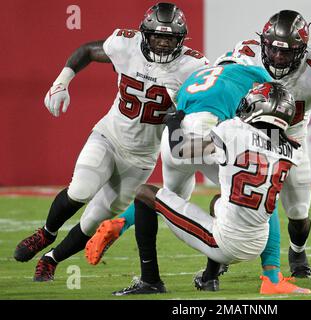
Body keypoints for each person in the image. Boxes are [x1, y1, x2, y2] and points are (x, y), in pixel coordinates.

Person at [13, 2, 208, 282]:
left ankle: (50, 260)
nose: (163, 44)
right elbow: (88, 51)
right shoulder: (125, 44)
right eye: (157, 37)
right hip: (109, 136)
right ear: (145, 34)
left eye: (170, 38)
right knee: (80, 189)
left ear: (181, 39)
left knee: (93, 221)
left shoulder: (193, 66)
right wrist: (61, 81)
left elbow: (207, 96)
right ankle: (46, 233)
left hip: (141, 159)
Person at [87, 58, 305, 294]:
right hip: (258, 241)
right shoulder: (291, 149)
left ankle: (149, 278)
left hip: (222, 238)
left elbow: (182, 149)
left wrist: (172, 123)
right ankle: (255, 275)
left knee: (147, 194)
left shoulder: (232, 129)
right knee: (230, 200)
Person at [224, 10, 311, 278]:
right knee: (233, 199)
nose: (278, 57)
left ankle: (297, 251)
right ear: (263, 43)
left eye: (286, 52)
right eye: (273, 50)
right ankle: (217, 258)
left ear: (302, 51)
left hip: (290, 138)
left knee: (298, 212)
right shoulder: (246, 55)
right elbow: (218, 85)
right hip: (246, 135)